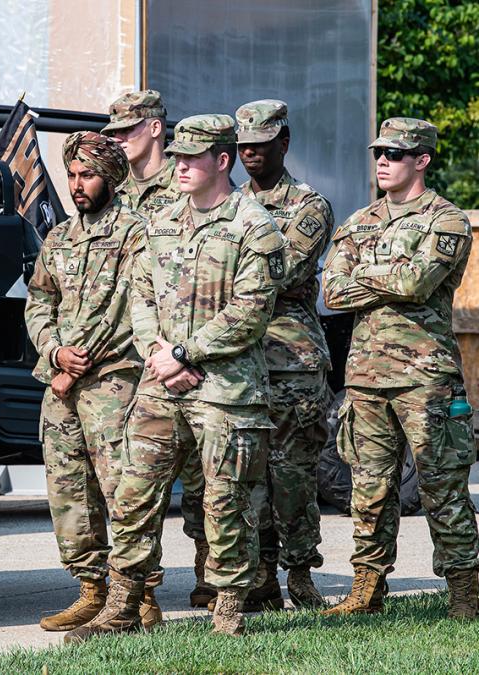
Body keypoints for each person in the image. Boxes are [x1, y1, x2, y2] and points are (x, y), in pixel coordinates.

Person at [67, 114, 285, 641]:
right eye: (178, 156)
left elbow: (251, 309)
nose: (180, 165)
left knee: (226, 500)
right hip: (160, 384)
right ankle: (122, 605)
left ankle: (229, 606)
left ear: (222, 161)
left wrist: (187, 352)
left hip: (226, 390)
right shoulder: (159, 223)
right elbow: (138, 294)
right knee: (133, 493)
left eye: (192, 157)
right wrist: (160, 355)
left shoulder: (255, 226)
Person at [322, 117, 479, 618]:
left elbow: (418, 284)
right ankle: (367, 590)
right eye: (379, 153)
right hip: (365, 378)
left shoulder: (447, 220)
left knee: (442, 487)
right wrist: (391, 274)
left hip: (424, 378)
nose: (383, 162)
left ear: (422, 160)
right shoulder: (359, 220)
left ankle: (465, 594)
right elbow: (332, 291)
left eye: (395, 153)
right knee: (368, 490)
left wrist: (364, 275)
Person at [25, 132, 150, 631]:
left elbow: (130, 304)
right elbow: (38, 302)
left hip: (114, 380)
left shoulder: (137, 233)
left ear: (112, 177)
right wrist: (55, 352)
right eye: (72, 175)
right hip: (60, 381)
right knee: (68, 489)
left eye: (88, 175)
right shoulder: (58, 238)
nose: (77, 185)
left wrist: (80, 360)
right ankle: (91, 588)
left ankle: (139, 594)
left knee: (123, 489)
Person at [104, 90, 213, 610]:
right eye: (113, 132)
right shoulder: (116, 188)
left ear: (154, 129)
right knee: (136, 478)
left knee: (201, 482)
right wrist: (155, 352)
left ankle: (211, 580)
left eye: (126, 130)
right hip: (133, 353)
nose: (118, 140)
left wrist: (178, 356)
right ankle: (139, 594)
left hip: (186, 357)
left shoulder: (188, 183)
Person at [233, 99, 334, 610]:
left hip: (292, 359)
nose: (249, 152)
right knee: (247, 474)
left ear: (283, 143)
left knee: (292, 473)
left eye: (260, 144)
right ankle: (260, 578)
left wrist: (226, 278)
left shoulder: (308, 206)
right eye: (243, 145)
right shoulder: (229, 203)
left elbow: (281, 272)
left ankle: (300, 575)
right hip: (240, 356)